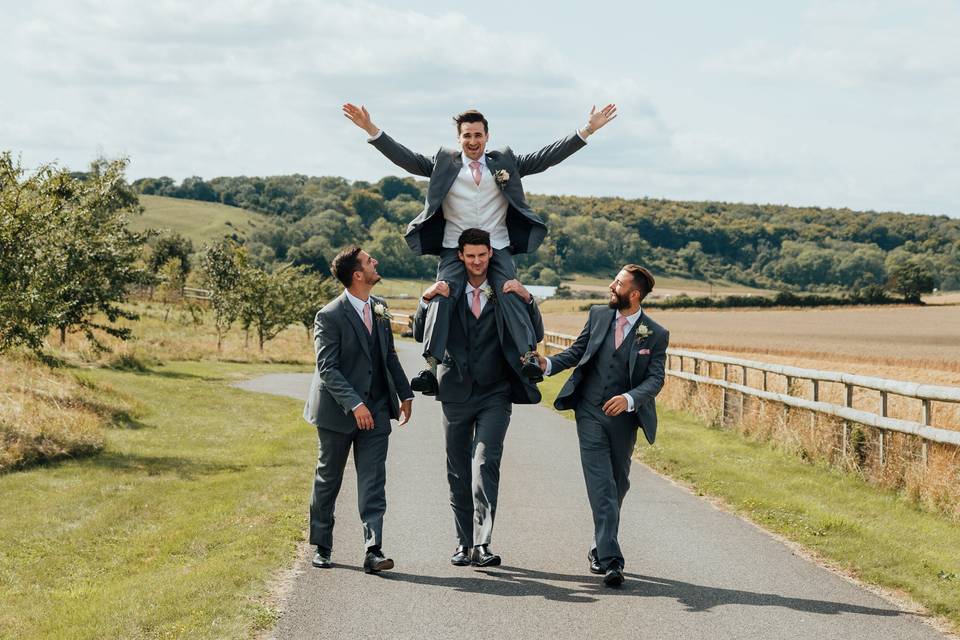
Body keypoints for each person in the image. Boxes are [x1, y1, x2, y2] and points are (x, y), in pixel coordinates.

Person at [342, 102, 617, 395]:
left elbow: (547, 157)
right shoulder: (443, 163)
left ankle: (527, 357)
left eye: (478, 135)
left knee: (510, 290)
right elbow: (405, 158)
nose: (473, 142)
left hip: (497, 246)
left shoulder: (505, 162)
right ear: (458, 139)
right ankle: (430, 367)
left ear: (487, 137)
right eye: (467, 136)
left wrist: (588, 129)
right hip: (453, 248)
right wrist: (371, 129)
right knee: (441, 294)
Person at [413, 228, 543, 567]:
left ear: (490, 254)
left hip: (495, 392)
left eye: (482, 255)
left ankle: (483, 543)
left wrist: (528, 298)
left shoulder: (505, 291)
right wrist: (425, 299)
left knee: (485, 464)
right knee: (457, 470)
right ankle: (462, 543)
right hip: (454, 391)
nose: (476, 262)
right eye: (470, 256)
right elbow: (418, 332)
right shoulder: (446, 292)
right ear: (460, 256)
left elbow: (536, 333)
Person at [534, 265, 668, 587]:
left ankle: (599, 545)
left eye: (618, 283)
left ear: (633, 294)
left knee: (618, 484)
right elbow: (578, 352)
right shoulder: (597, 316)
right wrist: (548, 364)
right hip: (590, 412)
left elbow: (655, 379)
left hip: (625, 422)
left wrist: (630, 398)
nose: (611, 285)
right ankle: (612, 560)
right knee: (602, 485)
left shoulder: (655, 333)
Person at [302, 246, 413, 574]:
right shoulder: (329, 315)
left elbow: (389, 356)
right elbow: (327, 368)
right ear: (357, 275)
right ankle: (322, 545)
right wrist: (355, 404)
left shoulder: (380, 307)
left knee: (373, 479)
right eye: (368, 261)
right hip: (337, 412)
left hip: (377, 408)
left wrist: (405, 394)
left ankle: (373, 550)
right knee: (328, 478)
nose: (375, 262)